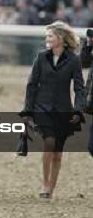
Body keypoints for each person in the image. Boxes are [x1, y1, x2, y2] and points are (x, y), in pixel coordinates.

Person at [21, 21, 85, 199]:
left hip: (64, 110)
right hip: (42, 107)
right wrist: (27, 111)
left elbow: (79, 88)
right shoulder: (41, 57)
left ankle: (52, 188)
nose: (46, 38)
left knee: (58, 152)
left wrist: (78, 110)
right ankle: (45, 183)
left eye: (50, 35)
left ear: (61, 38)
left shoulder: (74, 60)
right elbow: (32, 85)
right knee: (49, 141)